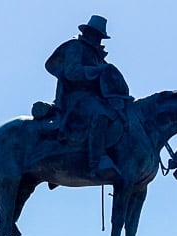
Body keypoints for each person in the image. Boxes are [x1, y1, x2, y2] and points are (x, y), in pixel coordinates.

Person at [45, 15, 131, 178]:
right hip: (75, 98)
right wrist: (97, 71)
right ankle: (97, 161)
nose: (97, 39)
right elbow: (71, 72)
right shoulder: (75, 47)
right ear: (88, 33)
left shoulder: (98, 57)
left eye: (100, 36)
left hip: (95, 98)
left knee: (120, 114)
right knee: (101, 114)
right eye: (95, 35)